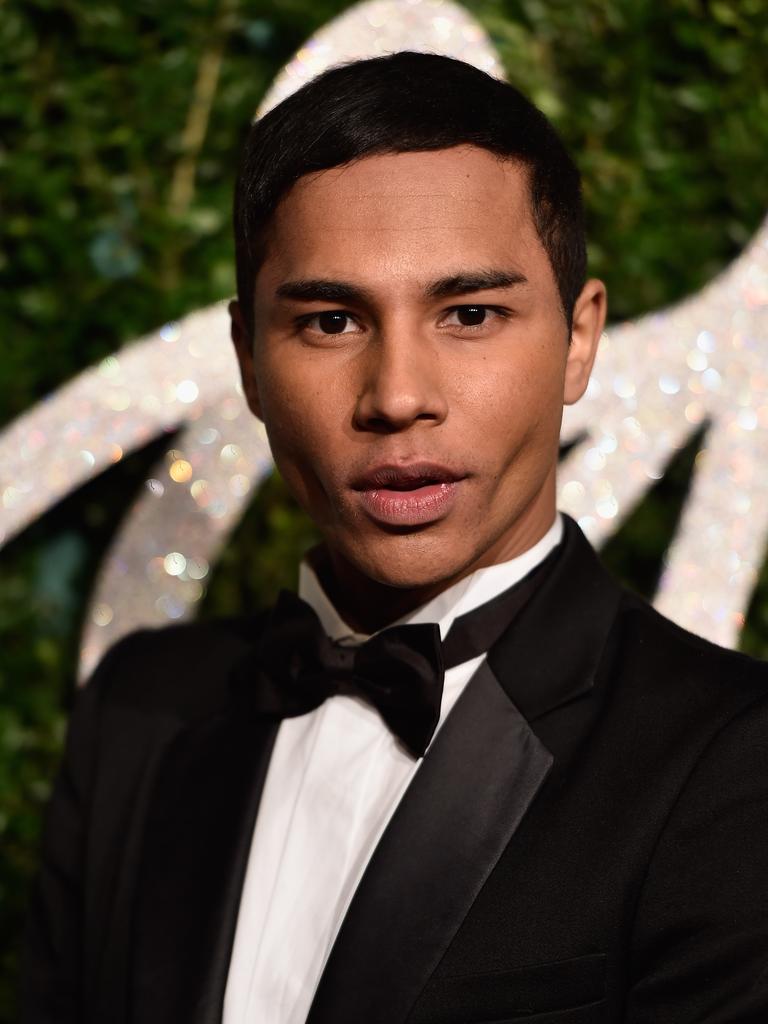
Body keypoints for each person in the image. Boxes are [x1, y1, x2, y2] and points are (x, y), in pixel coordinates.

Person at [22, 51, 768, 1024]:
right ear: (249, 359)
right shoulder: (138, 711)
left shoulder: (731, 761)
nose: (398, 396)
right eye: (332, 321)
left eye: (469, 314)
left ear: (580, 338)